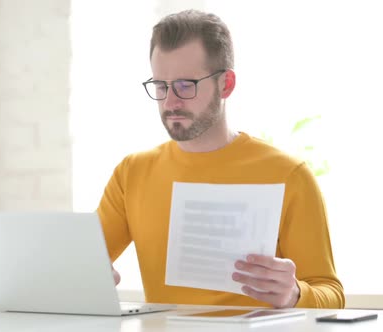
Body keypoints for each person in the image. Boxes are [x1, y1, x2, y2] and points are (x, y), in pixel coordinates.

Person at [97, 9, 344, 309]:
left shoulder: (289, 175)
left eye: (186, 85)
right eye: (161, 86)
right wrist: (83, 276)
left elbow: (331, 295)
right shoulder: (131, 173)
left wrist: (294, 294)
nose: (170, 102)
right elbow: (79, 264)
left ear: (226, 84)